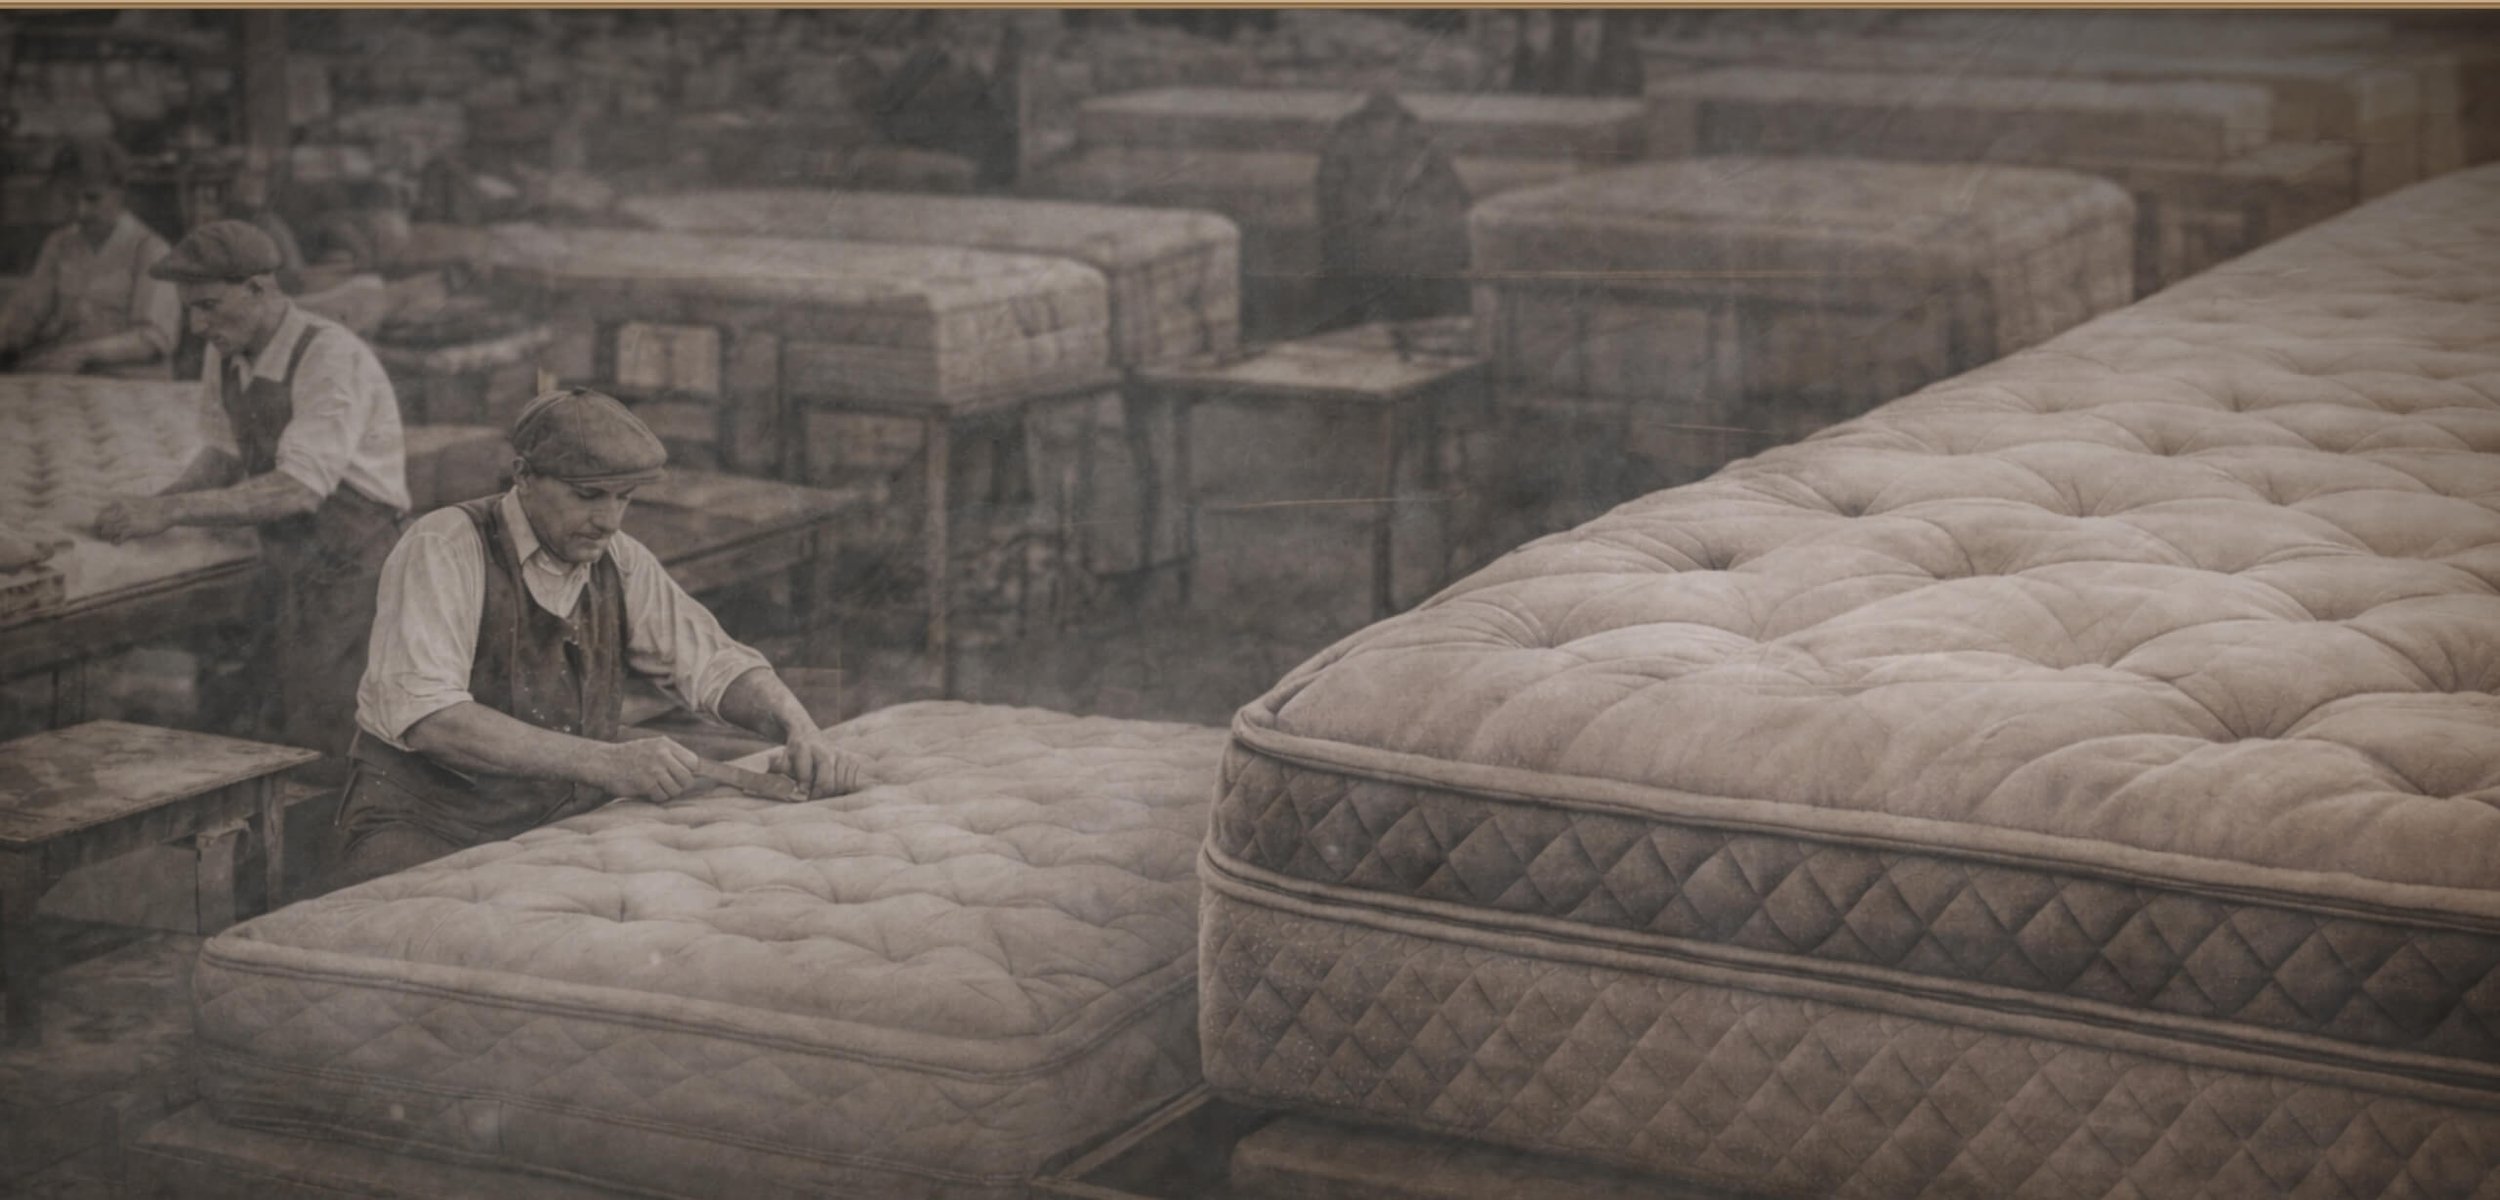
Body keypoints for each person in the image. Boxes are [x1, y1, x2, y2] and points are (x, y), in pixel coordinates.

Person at [332, 387, 870, 888]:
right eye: (588, 495)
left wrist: (799, 730)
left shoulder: (618, 558)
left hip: (554, 822)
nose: (608, 519)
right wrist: (606, 762)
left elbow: (715, 666)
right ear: (523, 475)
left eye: (624, 498)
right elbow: (432, 719)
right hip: (429, 825)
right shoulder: (445, 547)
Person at [92, 219, 410, 767]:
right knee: (253, 704)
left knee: (324, 720)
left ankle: (325, 842)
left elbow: (298, 489)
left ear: (260, 290)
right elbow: (221, 455)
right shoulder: (228, 353)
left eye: (210, 306)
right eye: (190, 308)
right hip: (287, 555)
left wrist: (169, 512)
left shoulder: (329, 357)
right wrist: (148, 507)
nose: (196, 325)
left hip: (354, 560)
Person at [0, 139, 183, 378]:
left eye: (92, 198)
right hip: (67, 376)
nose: (80, 211)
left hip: (131, 381)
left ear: (119, 192)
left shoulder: (150, 249)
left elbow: (153, 339)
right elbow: (29, 312)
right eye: (69, 198)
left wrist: (79, 353)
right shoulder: (60, 244)